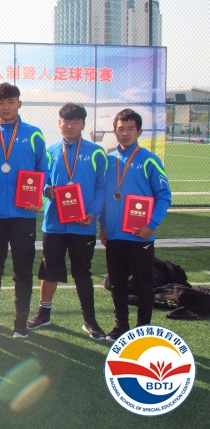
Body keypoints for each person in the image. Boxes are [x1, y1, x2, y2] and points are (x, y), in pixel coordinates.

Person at [27, 103, 107, 340]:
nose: (70, 126)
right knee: (49, 270)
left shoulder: (96, 152)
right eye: (66, 121)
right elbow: (42, 180)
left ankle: (89, 320)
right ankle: (44, 313)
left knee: (82, 273)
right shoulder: (50, 151)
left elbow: (101, 187)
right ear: (59, 123)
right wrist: (46, 190)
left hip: (83, 224)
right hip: (54, 224)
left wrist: (92, 213)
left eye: (75, 122)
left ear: (83, 124)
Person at [0, 83, 48, 339]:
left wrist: (39, 194)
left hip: (23, 214)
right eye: (1, 103)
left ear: (19, 103)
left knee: (23, 268)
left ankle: (20, 320)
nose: (6, 107)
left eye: (10, 102)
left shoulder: (34, 134)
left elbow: (43, 169)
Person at [99, 108, 172, 341]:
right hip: (114, 236)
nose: (125, 133)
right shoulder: (108, 160)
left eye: (131, 128)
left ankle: (143, 329)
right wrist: (103, 225)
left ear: (139, 131)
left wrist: (152, 224)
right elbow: (103, 197)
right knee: (117, 283)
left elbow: (164, 195)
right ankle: (121, 326)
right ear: (114, 131)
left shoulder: (149, 160)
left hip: (140, 235)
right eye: (121, 129)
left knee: (143, 284)